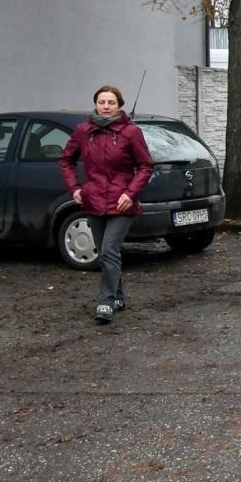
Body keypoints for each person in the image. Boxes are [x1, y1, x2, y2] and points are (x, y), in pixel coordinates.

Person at [58, 84, 154, 324]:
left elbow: (145, 166)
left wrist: (130, 193)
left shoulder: (131, 132)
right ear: (96, 104)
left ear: (119, 106)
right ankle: (119, 296)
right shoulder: (83, 131)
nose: (106, 106)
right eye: (102, 102)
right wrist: (76, 189)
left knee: (110, 249)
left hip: (122, 202)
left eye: (111, 102)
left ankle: (106, 301)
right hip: (93, 199)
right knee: (105, 253)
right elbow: (66, 160)